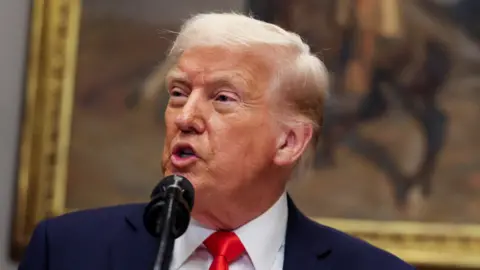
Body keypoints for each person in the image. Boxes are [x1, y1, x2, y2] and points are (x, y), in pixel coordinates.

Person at [19, 12, 414, 270]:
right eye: (177, 92)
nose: (185, 117)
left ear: (289, 142)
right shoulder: (67, 251)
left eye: (223, 98)